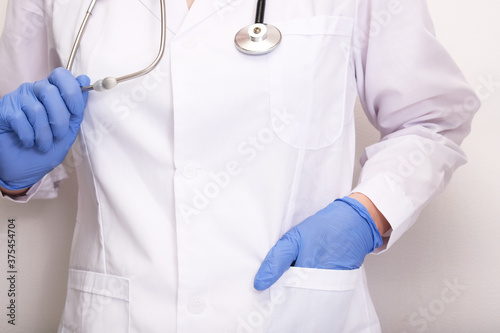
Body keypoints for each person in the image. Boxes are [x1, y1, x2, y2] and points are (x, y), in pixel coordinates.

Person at [0, 0, 479, 332]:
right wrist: (16, 172)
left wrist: (369, 213)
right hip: (121, 317)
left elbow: (432, 118)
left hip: (296, 314)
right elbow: (14, 117)